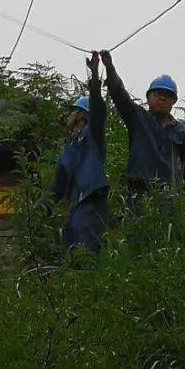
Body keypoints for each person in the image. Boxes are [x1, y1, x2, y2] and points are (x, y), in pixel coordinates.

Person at [99, 50, 185, 212]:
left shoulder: (180, 130)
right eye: (158, 94)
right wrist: (110, 67)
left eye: (168, 96)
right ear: (148, 98)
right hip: (139, 194)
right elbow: (119, 94)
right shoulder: (138, 118)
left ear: (173, 102)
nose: (163, 98)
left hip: (169, 198)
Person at [50, 51, 110, 253]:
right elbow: (56, 190)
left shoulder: (93, 135)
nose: (71, 116)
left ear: (82, 115)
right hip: (76, 206)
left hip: (92, 202)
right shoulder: (68, 149)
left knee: (86, 252)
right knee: (72, 249)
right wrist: (37, 209)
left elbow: (99, 110)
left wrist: (94, 74)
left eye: (75, 111)